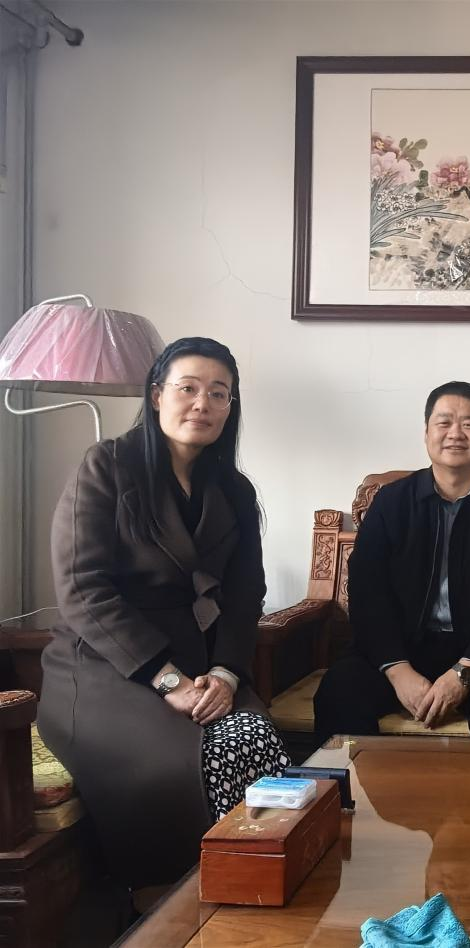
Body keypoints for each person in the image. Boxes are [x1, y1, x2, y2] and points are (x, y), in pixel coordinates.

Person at [37, 337, 289, 890]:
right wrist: (167, 679)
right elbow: (82, 589)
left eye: (219, 393)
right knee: (180, 764)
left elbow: (246, 593)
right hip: (106, 667)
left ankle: (252, 889)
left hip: (205, 665)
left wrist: (226, 672)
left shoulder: (234, 489)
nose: (203, 403)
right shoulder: (106, 466)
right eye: (188, 388)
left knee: (254, 738)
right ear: (156, 395)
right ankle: (166, 899)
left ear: (231, 407)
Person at [313, 382, 470, 744]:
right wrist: (397, 670)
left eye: (469, 424)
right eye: (444, 422)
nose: (455, 433)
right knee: (340, 690)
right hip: (400, 648)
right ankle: (352, 785)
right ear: (427, 433)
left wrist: (465, 671)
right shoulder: (391, 503)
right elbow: (366, 591)